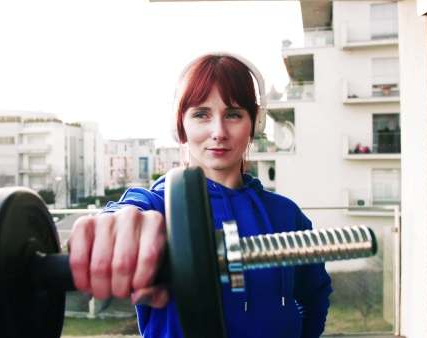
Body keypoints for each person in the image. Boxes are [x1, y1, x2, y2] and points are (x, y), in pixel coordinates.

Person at [68, 52, 333, 337]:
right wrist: (115, 225)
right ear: (179, 126)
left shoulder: (285, 214)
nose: (218, 132)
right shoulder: (161, 206)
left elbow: (314, 294)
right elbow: (131, 211)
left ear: (255, 123)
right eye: (201, 114)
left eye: (233, 114)